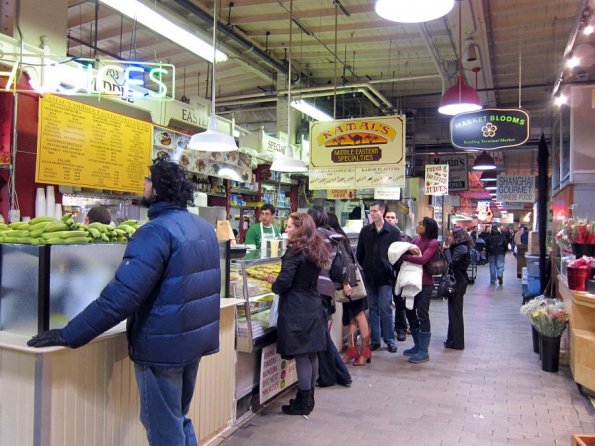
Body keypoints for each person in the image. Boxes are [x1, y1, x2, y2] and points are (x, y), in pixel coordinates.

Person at [27, 156, 221, 446]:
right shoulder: (203, 228)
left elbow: (121, 297)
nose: (143, 184)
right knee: (178, 418)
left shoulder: (155, 232)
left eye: (148, 179)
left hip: (161, 348)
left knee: (163, 429)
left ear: (156, 189)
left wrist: (70, 334)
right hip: (191, 344)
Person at [268, 212, 329, 416]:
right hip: (312, 304)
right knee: (311, 354)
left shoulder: (295, 252)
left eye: (289, 226)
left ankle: (303, 401)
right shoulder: (316, 248)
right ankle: (309, 397)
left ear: (300, 229)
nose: (286, 229)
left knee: (302, 355)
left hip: (296, 308)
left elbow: (284, 282)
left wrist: (274, 285)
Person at [307, 206, 352, 386]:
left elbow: (312, 262)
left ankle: (336, 375)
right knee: (322, 335)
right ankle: (335, 375)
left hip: (317, 288)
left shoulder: (317, 236)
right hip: (328, 289)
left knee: (321, 336)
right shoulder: (331, 234)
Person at [328, 212, 373, 366]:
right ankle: (352, 350)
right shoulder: (337, 235)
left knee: (359, 314)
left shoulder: (337, 237)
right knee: (351, 316)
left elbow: (346, 261)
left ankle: (365, 351)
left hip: (352, 281)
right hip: (347, 281)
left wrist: (346, 282)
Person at [356, 200, 401, 353]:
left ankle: (390, 340)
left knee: (385, 307)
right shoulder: (366, 231)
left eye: (375, 211)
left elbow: (398, 254)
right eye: (371, 211)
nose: (372, 213)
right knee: (373, 309)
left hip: (386, 277)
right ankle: (375, 340)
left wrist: (390, 268)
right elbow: (359, 254)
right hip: (370, 276)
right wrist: (366, 266)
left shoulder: (393, 232)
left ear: (382, 212)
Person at [399, 217, 439, 363]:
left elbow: (423, 260)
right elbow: (407, 251)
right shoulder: (416, 240)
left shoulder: (433, 242)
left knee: (422, 314)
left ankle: (424, 350)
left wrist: (404, 257)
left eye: (421, 224)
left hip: (425, 284)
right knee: (409, 311)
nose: (418, 226)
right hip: (411, 282)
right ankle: (417, 345)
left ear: (427, 227)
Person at [443, 227, 472, 350]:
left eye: (451, 235)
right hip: (458, 282)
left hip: (458, 283)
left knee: (455, 313)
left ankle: (457, 342)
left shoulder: (461, 248)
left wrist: (446, 250)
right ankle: (452, 339)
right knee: (454, 312)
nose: (449, 238)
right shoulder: (461, 247)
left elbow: (451, 263)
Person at [385, 210, 407, 342]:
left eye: (392, 217)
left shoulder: (402, 236)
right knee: (385, 304)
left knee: (399, 303)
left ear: (396, 220)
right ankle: (386, 330)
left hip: (399, 274)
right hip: (385, 274)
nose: (390, 219)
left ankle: (401, 329)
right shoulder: (380, 235)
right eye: (387, 217)